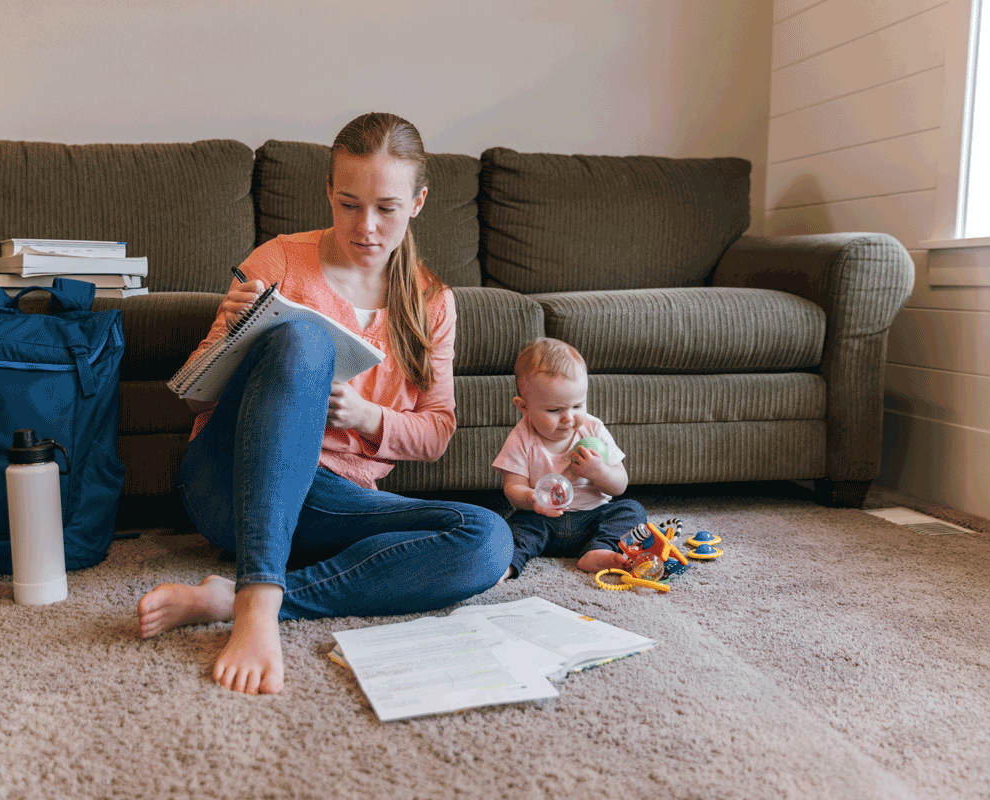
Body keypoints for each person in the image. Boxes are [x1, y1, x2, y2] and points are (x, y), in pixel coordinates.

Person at [137, 112, 512, 695]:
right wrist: (238, 340)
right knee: (305, 337)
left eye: (387, 208)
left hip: (331, 502)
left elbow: (437, 431)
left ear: (417, 203)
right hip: (231, 482)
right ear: (328, 194)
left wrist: (368, 418)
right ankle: (258, 600)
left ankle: (234, 599)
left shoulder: (434, 302)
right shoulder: (279, 261)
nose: (366, 227)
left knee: (488, 538)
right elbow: (192, 402)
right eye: (348, 203)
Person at [493, 337, 647, 581]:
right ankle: (506, 567)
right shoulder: (521, 437)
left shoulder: (593, 429)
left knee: (631, 511)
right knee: (508, 529)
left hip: (594, 517)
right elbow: (512, 487)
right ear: (524, 406)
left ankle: (599, 550)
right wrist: (532, 498)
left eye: (578, 405)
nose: (569, 418)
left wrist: (600, 473)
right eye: (554, 410)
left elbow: (620, 484)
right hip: (542, 520)